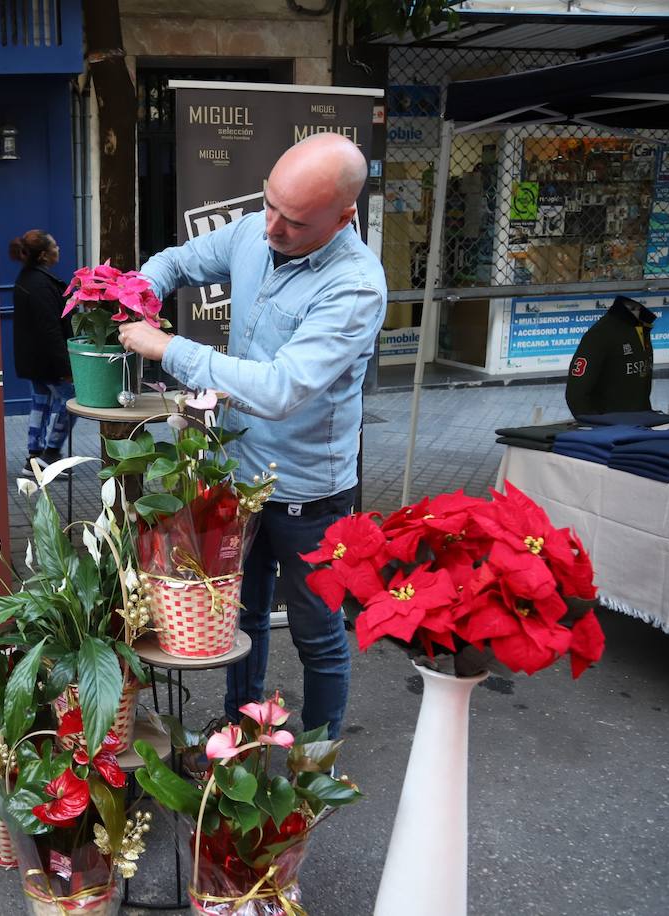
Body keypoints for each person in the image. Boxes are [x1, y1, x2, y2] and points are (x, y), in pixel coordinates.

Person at [117, 133, 387, 738]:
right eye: (268, 205)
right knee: (241, 615)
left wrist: (168, 348)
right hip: (237, 476)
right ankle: (238, 731)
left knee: (319, 634)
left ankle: (315, 758)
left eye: (293, 221)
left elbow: (277, 390)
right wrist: (145, 290)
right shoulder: (252, 232)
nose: (271, 228)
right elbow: (180, 260)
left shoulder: (356, 287)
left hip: (307, 494)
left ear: (345, 216)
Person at [10, 230, 74, 471]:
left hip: (34, 361)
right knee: (71, 403)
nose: (59, 249)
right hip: (49, 361)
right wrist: (65, 368)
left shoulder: (27, 279)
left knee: (41, 403)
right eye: (55, 246)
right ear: (45, 255)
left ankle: (34, 457)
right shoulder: (41, 284)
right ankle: (50, 455)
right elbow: (51, 330)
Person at [564, 295, 655, 419]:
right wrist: (598, 428)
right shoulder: (599, 335)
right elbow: (576, 394)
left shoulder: (640, 329)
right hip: (611, 428)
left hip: (641, 424)